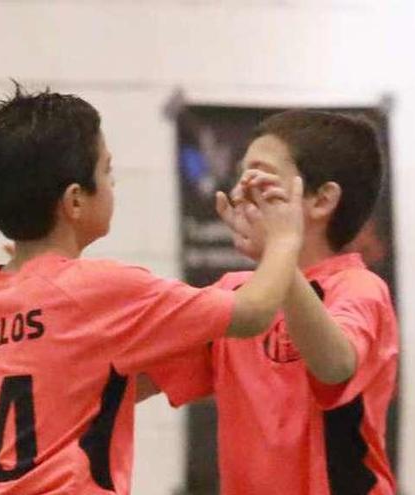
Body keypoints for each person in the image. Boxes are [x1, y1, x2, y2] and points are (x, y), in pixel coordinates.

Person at [0, 85, 304, 494]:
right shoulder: (98, 290)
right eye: (107, 171)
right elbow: (254, 311)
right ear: (75, 201)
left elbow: (79, 391)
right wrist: (284, 239)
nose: (114, 184)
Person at [148, 110, 399, 494]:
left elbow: (335, 366)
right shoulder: (236, 293)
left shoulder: (359, 288)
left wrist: (280, 250)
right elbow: (127, 382)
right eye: (239, 180)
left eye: (259, 180)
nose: (238, 197)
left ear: (321, 200)